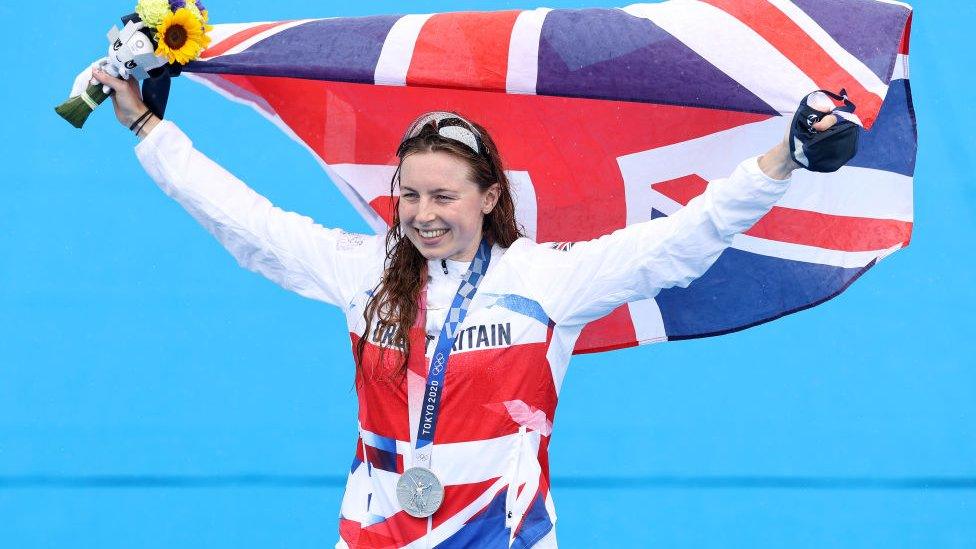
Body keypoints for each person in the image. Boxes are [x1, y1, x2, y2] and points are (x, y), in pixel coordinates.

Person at [92, 66, 841, 548]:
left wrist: (782, 159)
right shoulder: (363, 271)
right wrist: (148, 129)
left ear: (488, 198)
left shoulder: (549, 281)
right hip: (374, 538)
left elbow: (682, 240)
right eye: (409, 195)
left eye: (443, 196)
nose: (422, 213)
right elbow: (245, 221)